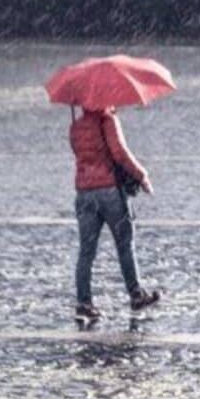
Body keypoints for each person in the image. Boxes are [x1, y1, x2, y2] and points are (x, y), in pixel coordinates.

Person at [69, 105, 160, 322]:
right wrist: (142, 175)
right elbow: (119, 153)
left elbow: (80, 154)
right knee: (125, 244)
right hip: (109, 191)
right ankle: (136, 294)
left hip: (84, 193)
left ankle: (84, 303)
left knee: (86, 252)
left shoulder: (75, 125)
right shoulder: (107, 120)